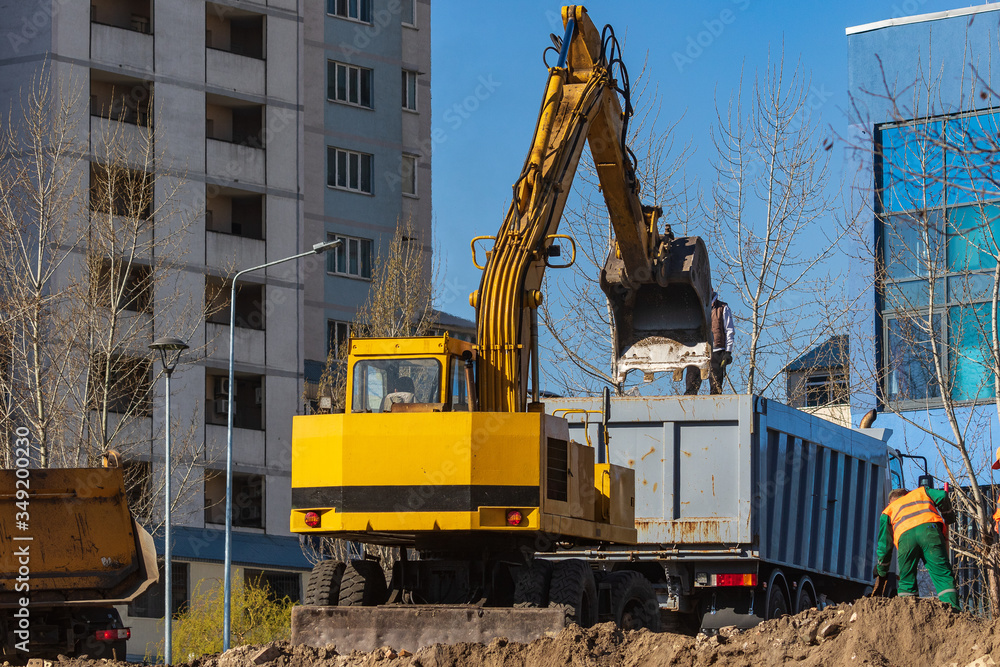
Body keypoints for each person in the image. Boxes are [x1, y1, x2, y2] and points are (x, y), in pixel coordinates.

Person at [874, 486, 960, 611]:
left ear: (890, 501)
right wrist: (949, 516)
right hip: (930, 532)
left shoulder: (888, 511)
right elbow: (942, 496)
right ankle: (954, 612)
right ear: (908, 493)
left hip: (905, 539)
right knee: (942, 575)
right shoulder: (921, 492)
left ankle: (909, 615)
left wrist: (881, 570)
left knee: (906, 581)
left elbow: (885, 546)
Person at [685, 290, 734, 395]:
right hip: (697, 351)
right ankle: (688, 407)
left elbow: (729, 331)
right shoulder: (695, 307)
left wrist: (728, 352)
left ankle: (715, 408)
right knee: (691, 386)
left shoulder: (722, 308)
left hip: (716, 350)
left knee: (716, 387)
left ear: (711, 290)